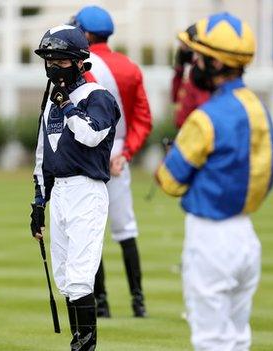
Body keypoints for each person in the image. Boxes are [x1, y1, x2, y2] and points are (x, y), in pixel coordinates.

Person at [156, 13, 273, 351]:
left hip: (210, 238)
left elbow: (169, 180)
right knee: (238, 339)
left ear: (215, 62)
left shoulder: (205, 118)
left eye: (198, 56)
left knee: (210, 341)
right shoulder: (259, 108)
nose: (193, 63)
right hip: (246, 237)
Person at [31, 24, 120, 351]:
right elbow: (42, 153)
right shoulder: (51, 104)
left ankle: (85, 346)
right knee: (65, 278)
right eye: (49, 60)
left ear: (79, 62)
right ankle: (77, 343)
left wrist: (67, 105)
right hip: (60, 195)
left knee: (81, 276)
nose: (53, 67)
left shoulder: (98, 97)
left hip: (87, 191)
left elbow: (91, 134)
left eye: (61, 61)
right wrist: (39, 202)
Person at [71, 5, 152, 318]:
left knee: (92, 230)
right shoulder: (130, 67)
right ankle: (138, 302)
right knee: (125, 229)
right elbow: (143, 119)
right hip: (119, 153)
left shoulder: (82, 64)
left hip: (90, 149)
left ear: (86, 34)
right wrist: (126, 154)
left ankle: (101, 303)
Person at [171, 44, 210, 129]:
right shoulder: (187, 72)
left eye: (187, 46)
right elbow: (175, 96)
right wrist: (179, 69)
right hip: (185, 130)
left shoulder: (202, 77)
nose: (184, 50)